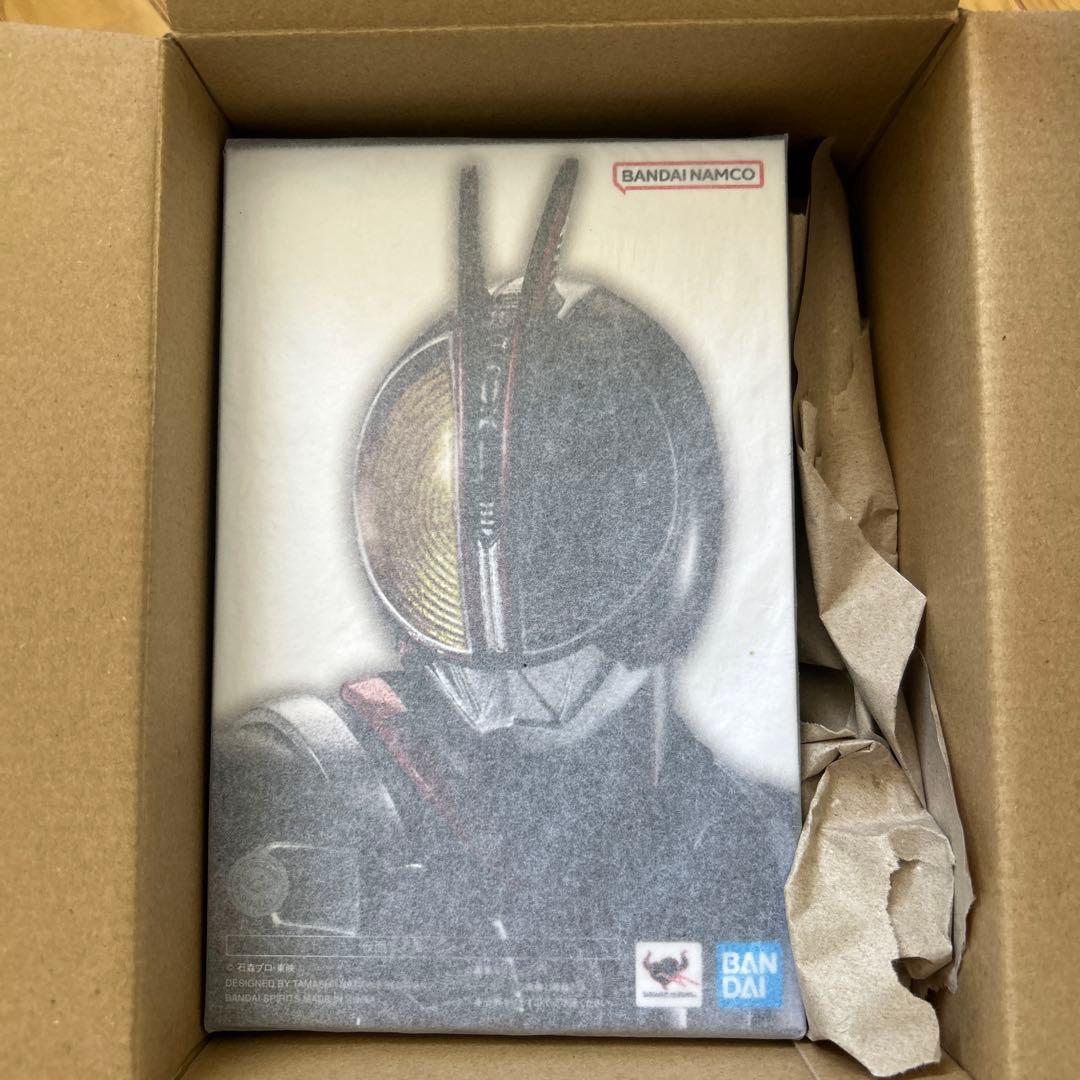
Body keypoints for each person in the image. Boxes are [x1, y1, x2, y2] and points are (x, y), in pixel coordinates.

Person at [207, 158, 800, 1035]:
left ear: (676, 545)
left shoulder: (770, 850)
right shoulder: (294, 788)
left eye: (572, 532)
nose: (503, 668)